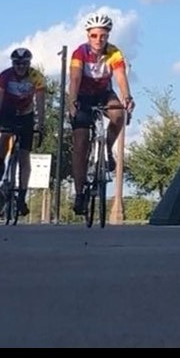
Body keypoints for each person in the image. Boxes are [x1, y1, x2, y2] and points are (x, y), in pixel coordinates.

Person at [67, 12, 134, 217]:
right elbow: (75, 79)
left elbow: (121, 76)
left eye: (103, 36)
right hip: (83, 96)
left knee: (118, 115)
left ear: (108, 36)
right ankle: (80, 194)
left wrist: (127, 97)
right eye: (94, 35)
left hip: (104, 93)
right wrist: (72, 102)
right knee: (80, 145)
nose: (99, 40)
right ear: (88, 35)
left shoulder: (114, 53)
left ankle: (107, 147)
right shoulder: (79, 53)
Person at [0, 47, 42, 217]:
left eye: (24, 63)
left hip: (26, 115)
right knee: (5, 135)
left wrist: (40, 125)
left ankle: (22, 196)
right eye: (17, 63)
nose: (20, 66)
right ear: (12, 63)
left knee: (24, 157)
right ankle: (1, 162)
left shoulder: (36, 77)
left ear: (29, 63)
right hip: (7, 111)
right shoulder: (4, 76)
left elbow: (41, 103)